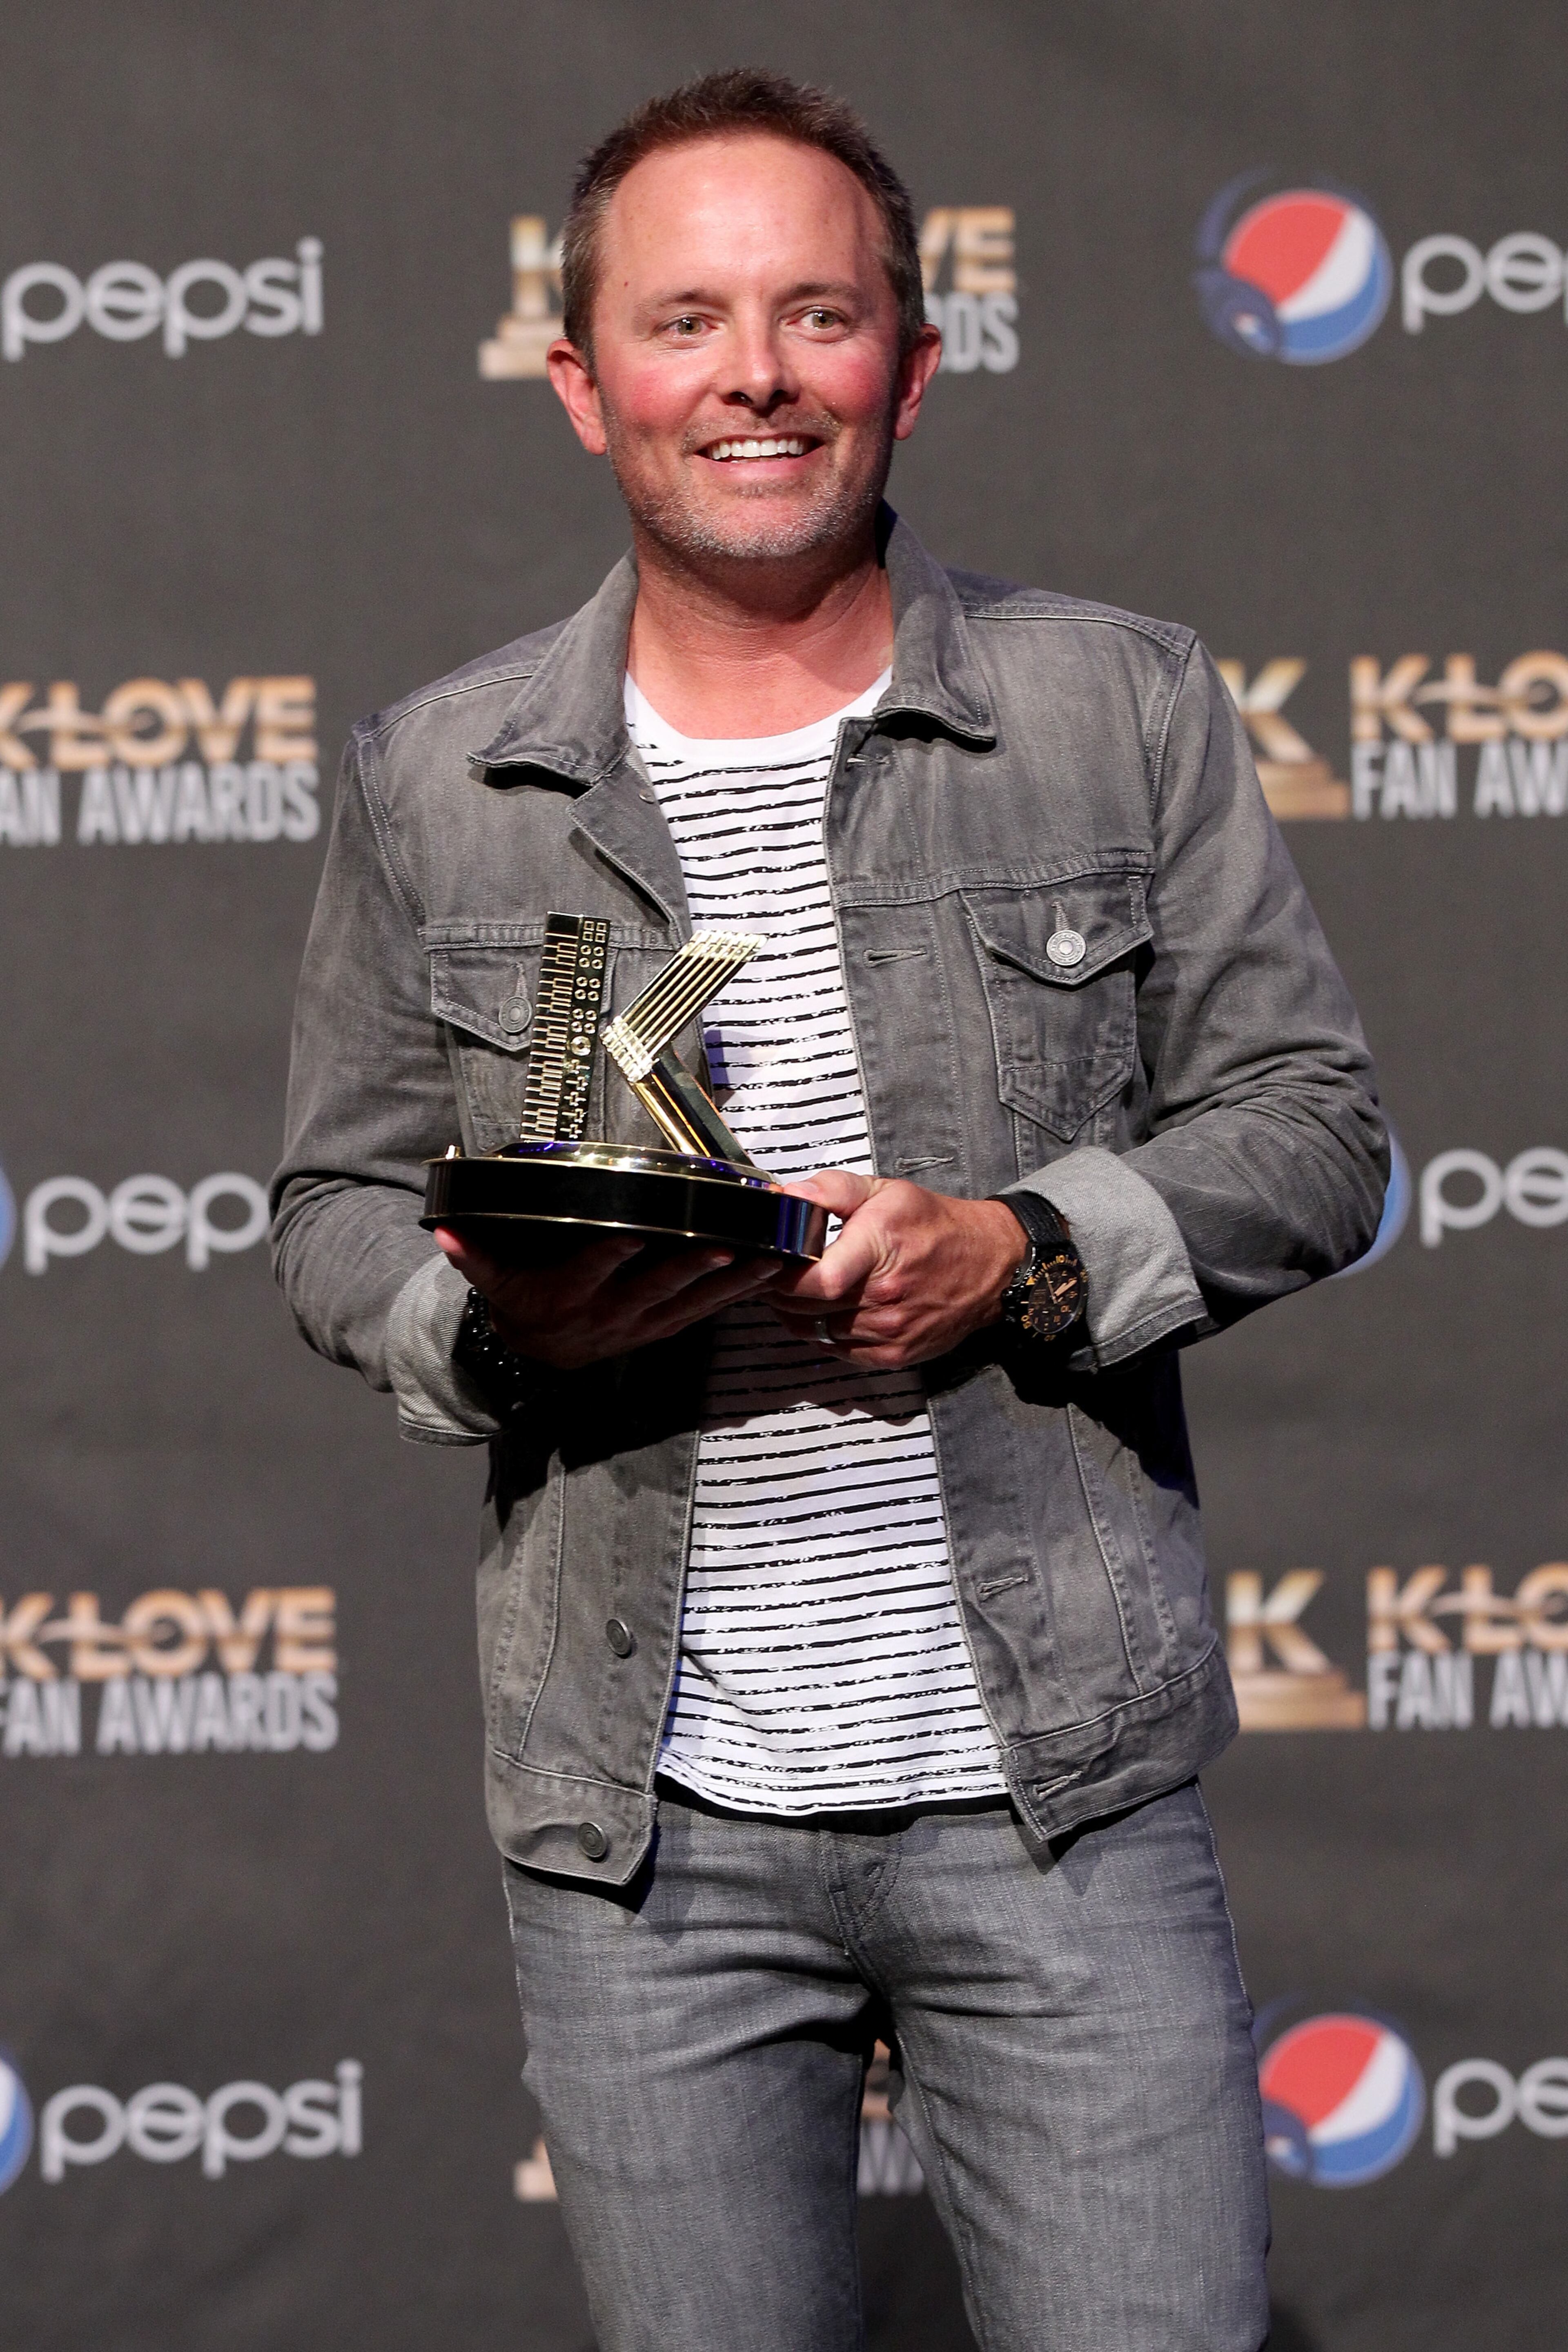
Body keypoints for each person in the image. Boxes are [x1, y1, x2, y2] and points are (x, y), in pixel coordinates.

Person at [272, 67, 1386, 2352]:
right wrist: (500, 1333)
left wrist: (1029, 1250)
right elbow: (331, 1208)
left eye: (817, 314)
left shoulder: (1119, 707)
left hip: (1056, 1794)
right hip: (647, 1828)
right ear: (582, 380)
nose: (756, 376)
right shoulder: (445, 779)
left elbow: (1313, 1130)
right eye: (686, 321)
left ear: (913, 360)